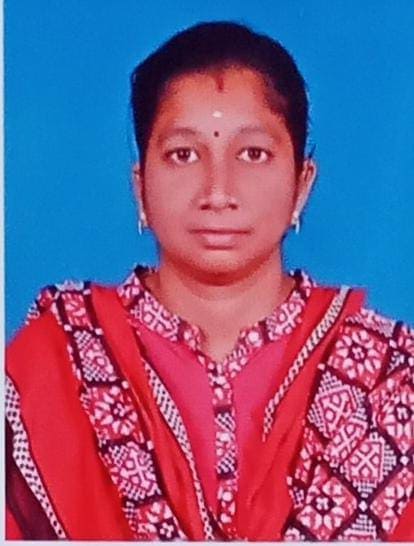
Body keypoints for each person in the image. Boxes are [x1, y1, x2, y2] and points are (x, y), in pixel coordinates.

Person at [5, 21, 414, 541]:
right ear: (140, 187)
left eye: (253, 154)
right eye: (183, 154)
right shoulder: (55, 361)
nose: (218, 193)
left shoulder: (388, 382)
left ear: (302, 185)